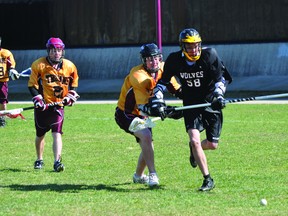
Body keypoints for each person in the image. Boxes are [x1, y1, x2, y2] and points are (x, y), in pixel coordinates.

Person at [159, 28, 232, 191]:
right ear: (182, 47)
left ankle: (194, 150)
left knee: (212, 145)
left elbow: (221, 79)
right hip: (191, 103)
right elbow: (162, 82)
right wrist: (157, 98)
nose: (194, 49)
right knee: (194, 139)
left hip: (210, 102)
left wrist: (219, 96)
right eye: (189, 46)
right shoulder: (174, 60)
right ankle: (208, 179)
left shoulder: (210, 55)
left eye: (196, 45)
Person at [115, 43, 181, 187]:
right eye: (149, 59)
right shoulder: (138, 75)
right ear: (144, 61)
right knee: (146, 136)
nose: (153, 62)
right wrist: (167, 111)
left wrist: (192, 100)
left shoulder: (164, 69)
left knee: (148, 144)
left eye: (156, 58)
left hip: (143, 114)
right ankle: (153, 174)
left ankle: (138, 176)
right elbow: (144, 107)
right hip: (127, 114)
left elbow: (177, 90)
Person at [28, 37, 79, 172]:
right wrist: (38, 100)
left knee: (57, 133)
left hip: (58, 107)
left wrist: (70, 97)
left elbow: (73, 85)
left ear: (62, 51)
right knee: (40, 135)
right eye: (52, 50)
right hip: (43, 107)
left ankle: (57, 161)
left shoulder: (70, 66)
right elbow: (32, 85)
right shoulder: (39, 65)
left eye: (58, 50)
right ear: (48, 51)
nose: (56, 53)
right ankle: (39, 159)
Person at [0, 36, 20, 127]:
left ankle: (2, 119)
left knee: (2, 101)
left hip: (2, 81)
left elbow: (11, 64)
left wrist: (12, 69)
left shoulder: (6, 53)